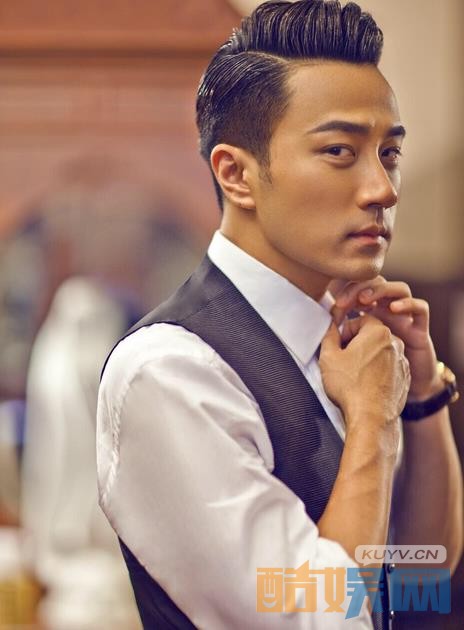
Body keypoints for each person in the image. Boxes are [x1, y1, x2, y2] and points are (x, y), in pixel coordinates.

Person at [96, 1, 463, 629]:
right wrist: (374, 420)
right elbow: (317, 618)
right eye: (340, 151)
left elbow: (420, 581)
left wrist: (423, 395)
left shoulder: (356, 346)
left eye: (389, 154)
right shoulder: (170, 371)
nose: (382, 189)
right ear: (236, 174)